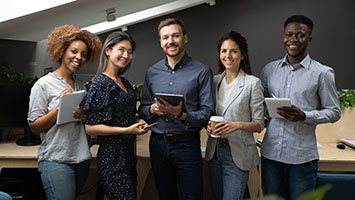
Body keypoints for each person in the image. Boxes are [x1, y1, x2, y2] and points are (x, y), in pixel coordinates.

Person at [260, 15, 341, 200]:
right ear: (283, 37)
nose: (293, 39)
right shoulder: (269, 70)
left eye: (300, 35)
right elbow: (261, 108)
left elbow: (334, 112)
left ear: (309, 39)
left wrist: (304, 116)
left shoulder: (322, 73)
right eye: (289, 34)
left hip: (301, 159)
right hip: (270, 155)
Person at [138, 18, 214, 200]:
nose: (170, 41)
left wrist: (179, 114)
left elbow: (207, 113)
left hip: (187, 146)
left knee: (191, 197)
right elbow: (143, 110)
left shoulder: (202, 71)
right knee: (165, 196)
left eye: (175, 36)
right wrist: (153, 110)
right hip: (157, 145)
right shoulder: (152, 72)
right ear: (160, 42)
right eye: (165, 37)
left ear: (185, 38)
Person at [27, 25, 101, 200]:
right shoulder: (43, 85)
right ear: (61, 51)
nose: (79, 58)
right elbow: (34, 127)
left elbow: (80, 123)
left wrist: (84, 117)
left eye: (83, 54)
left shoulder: (80, 86)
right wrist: (59, 108)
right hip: (56, 160)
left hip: (81, 158)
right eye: (74, 51)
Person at [80, 31, 150, 200]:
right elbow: (90, 127)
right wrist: (128, 130)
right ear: (108, 50)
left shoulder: (124, 82)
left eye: (130, 51)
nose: (126, 55)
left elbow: (122, 116)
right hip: (112, 158)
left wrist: (137, 121)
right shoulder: (100, 83)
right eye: (121, 50)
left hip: (128, 155)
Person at [204, 31, 264, 200]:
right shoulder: (214, 81)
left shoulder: (253, 83)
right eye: (224, 51)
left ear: (242, 55)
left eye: (233, 51)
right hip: (214, 150)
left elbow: (259, 124)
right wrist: (208, 126)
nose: (228, 55)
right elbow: (207, 113)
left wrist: (236, 125)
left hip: (237, 153)